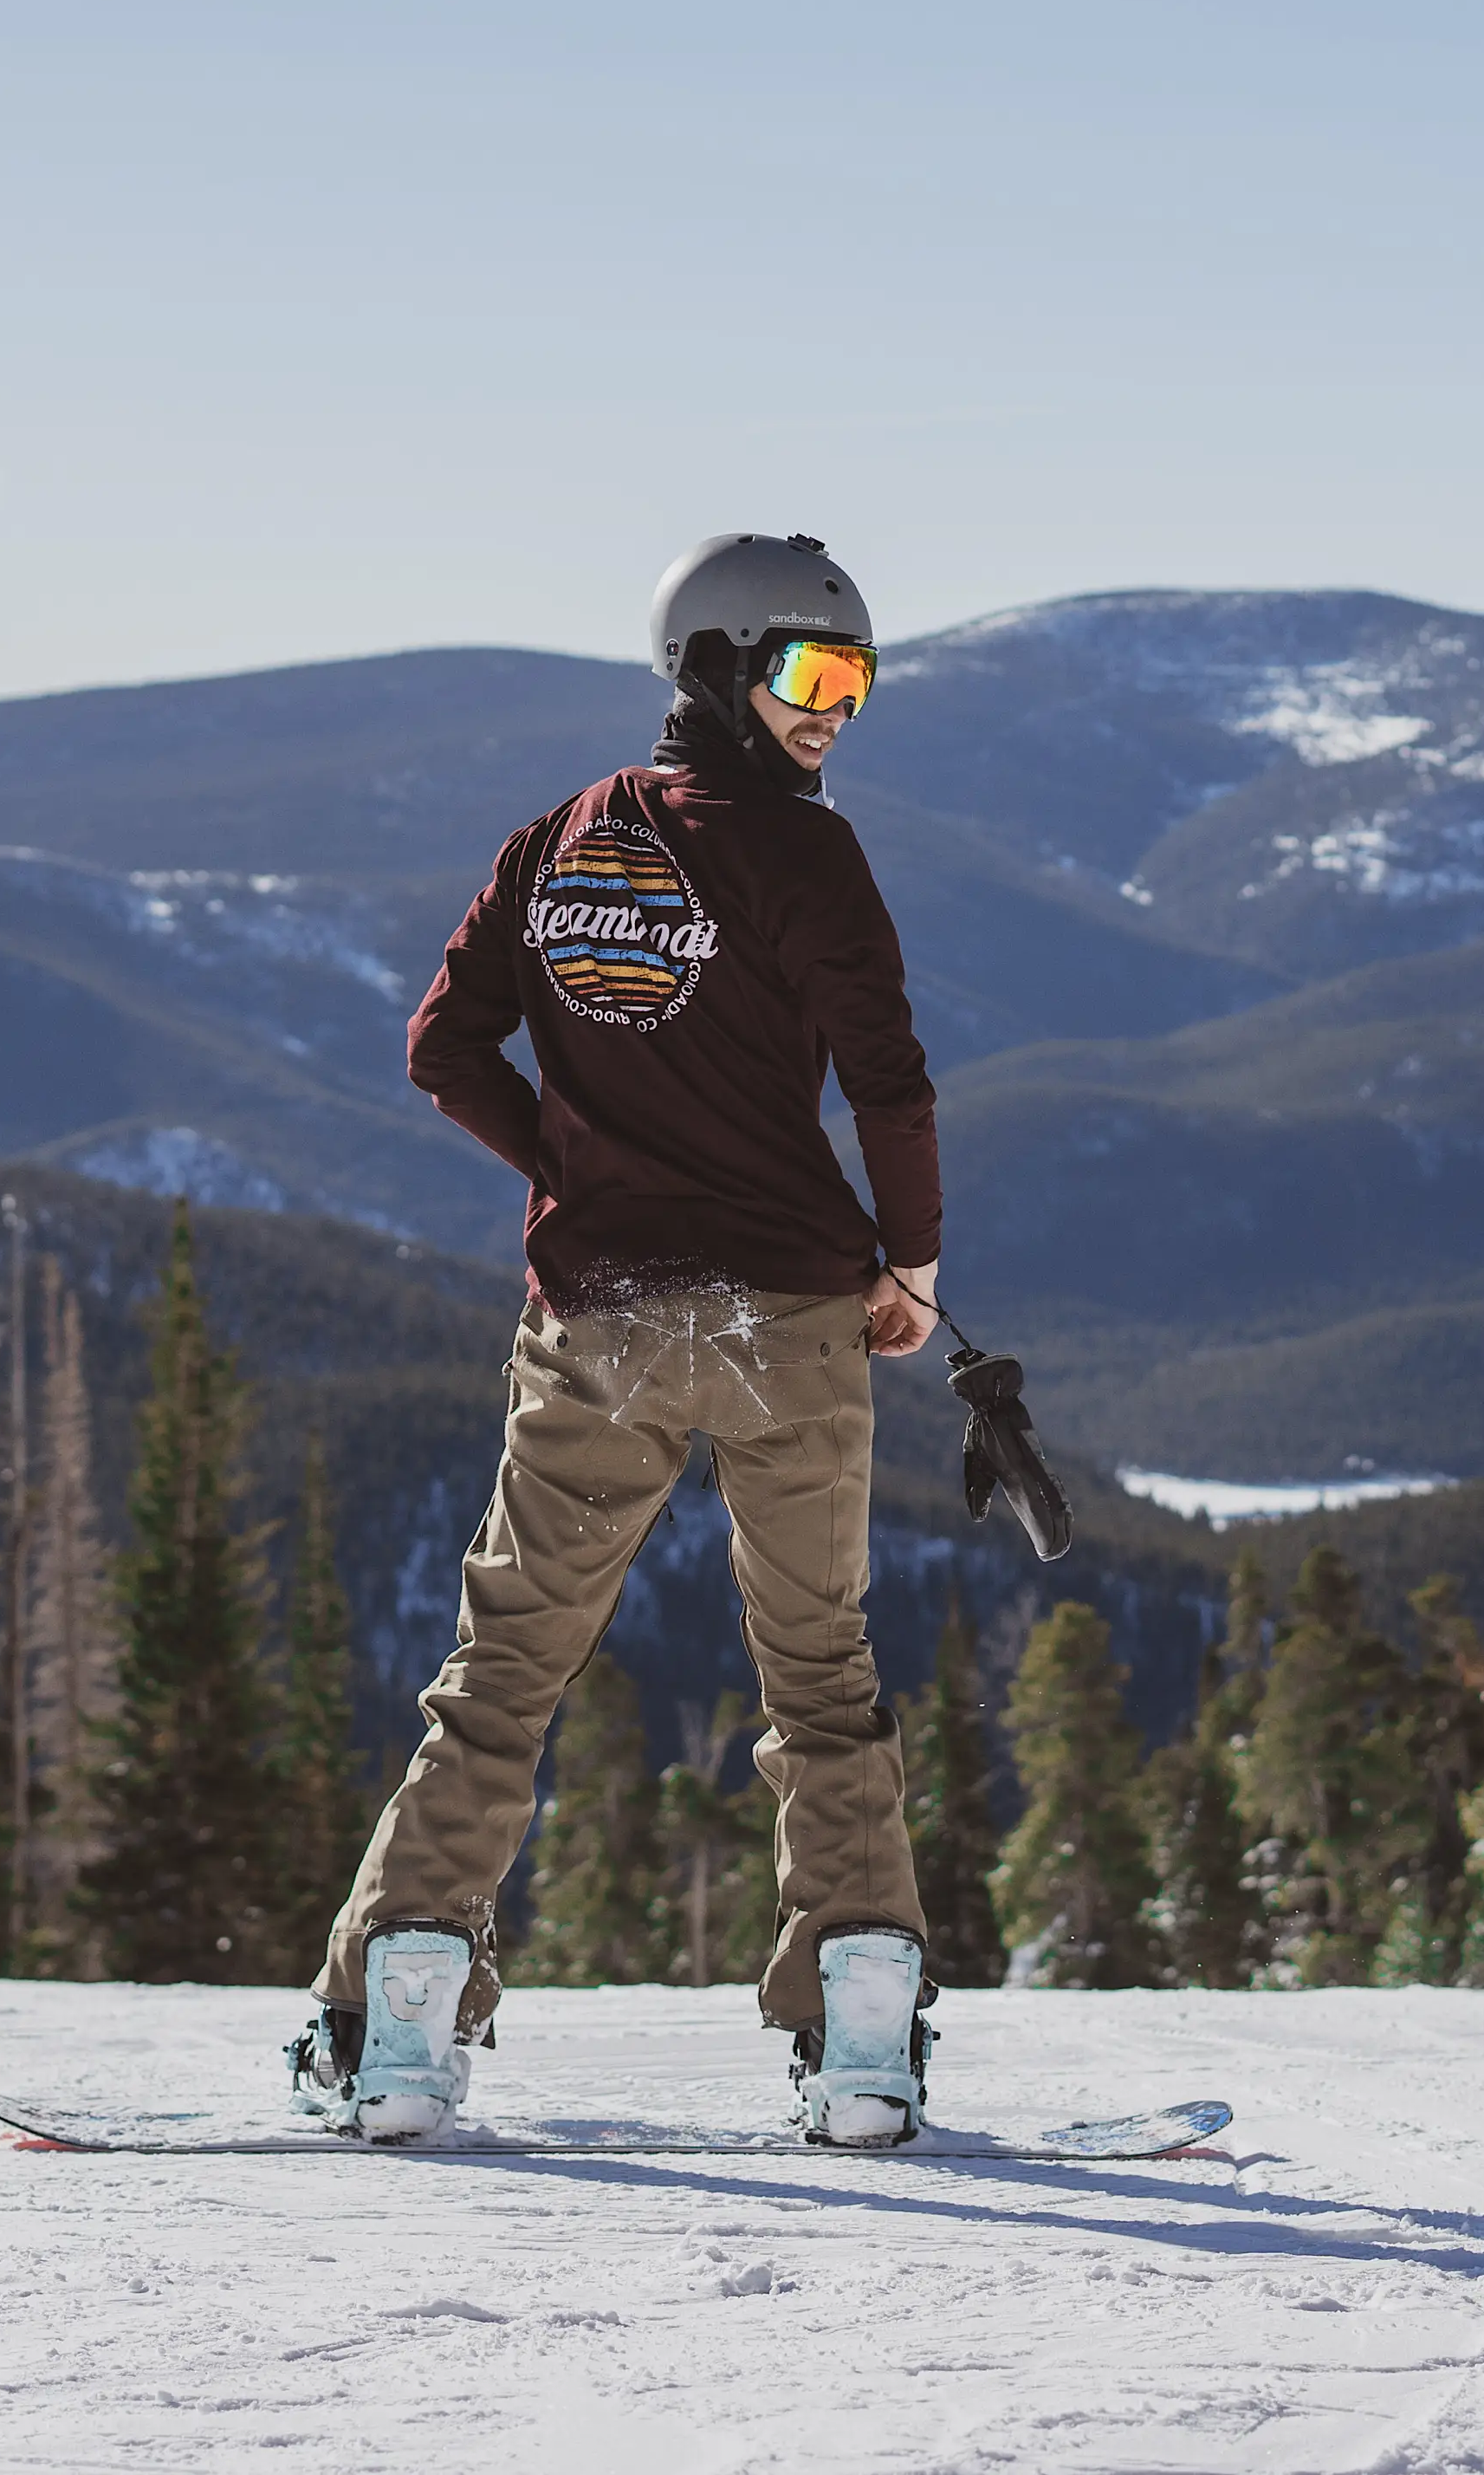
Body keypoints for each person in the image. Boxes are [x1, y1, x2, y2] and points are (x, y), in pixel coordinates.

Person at [288, 532, 944, 2146]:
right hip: (791, 1316)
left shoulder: (557, 840)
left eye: (857, 683)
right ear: (717, 669)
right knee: (820, 1671)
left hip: (601, 1322)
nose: (835, 715)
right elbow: (891, 1084)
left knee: (506, 1670)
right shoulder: (813, 860)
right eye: (809, 676)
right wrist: (911, 1262)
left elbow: (447, 1051)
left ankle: (399, 2022)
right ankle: (861, 2035)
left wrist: (572, 1165)